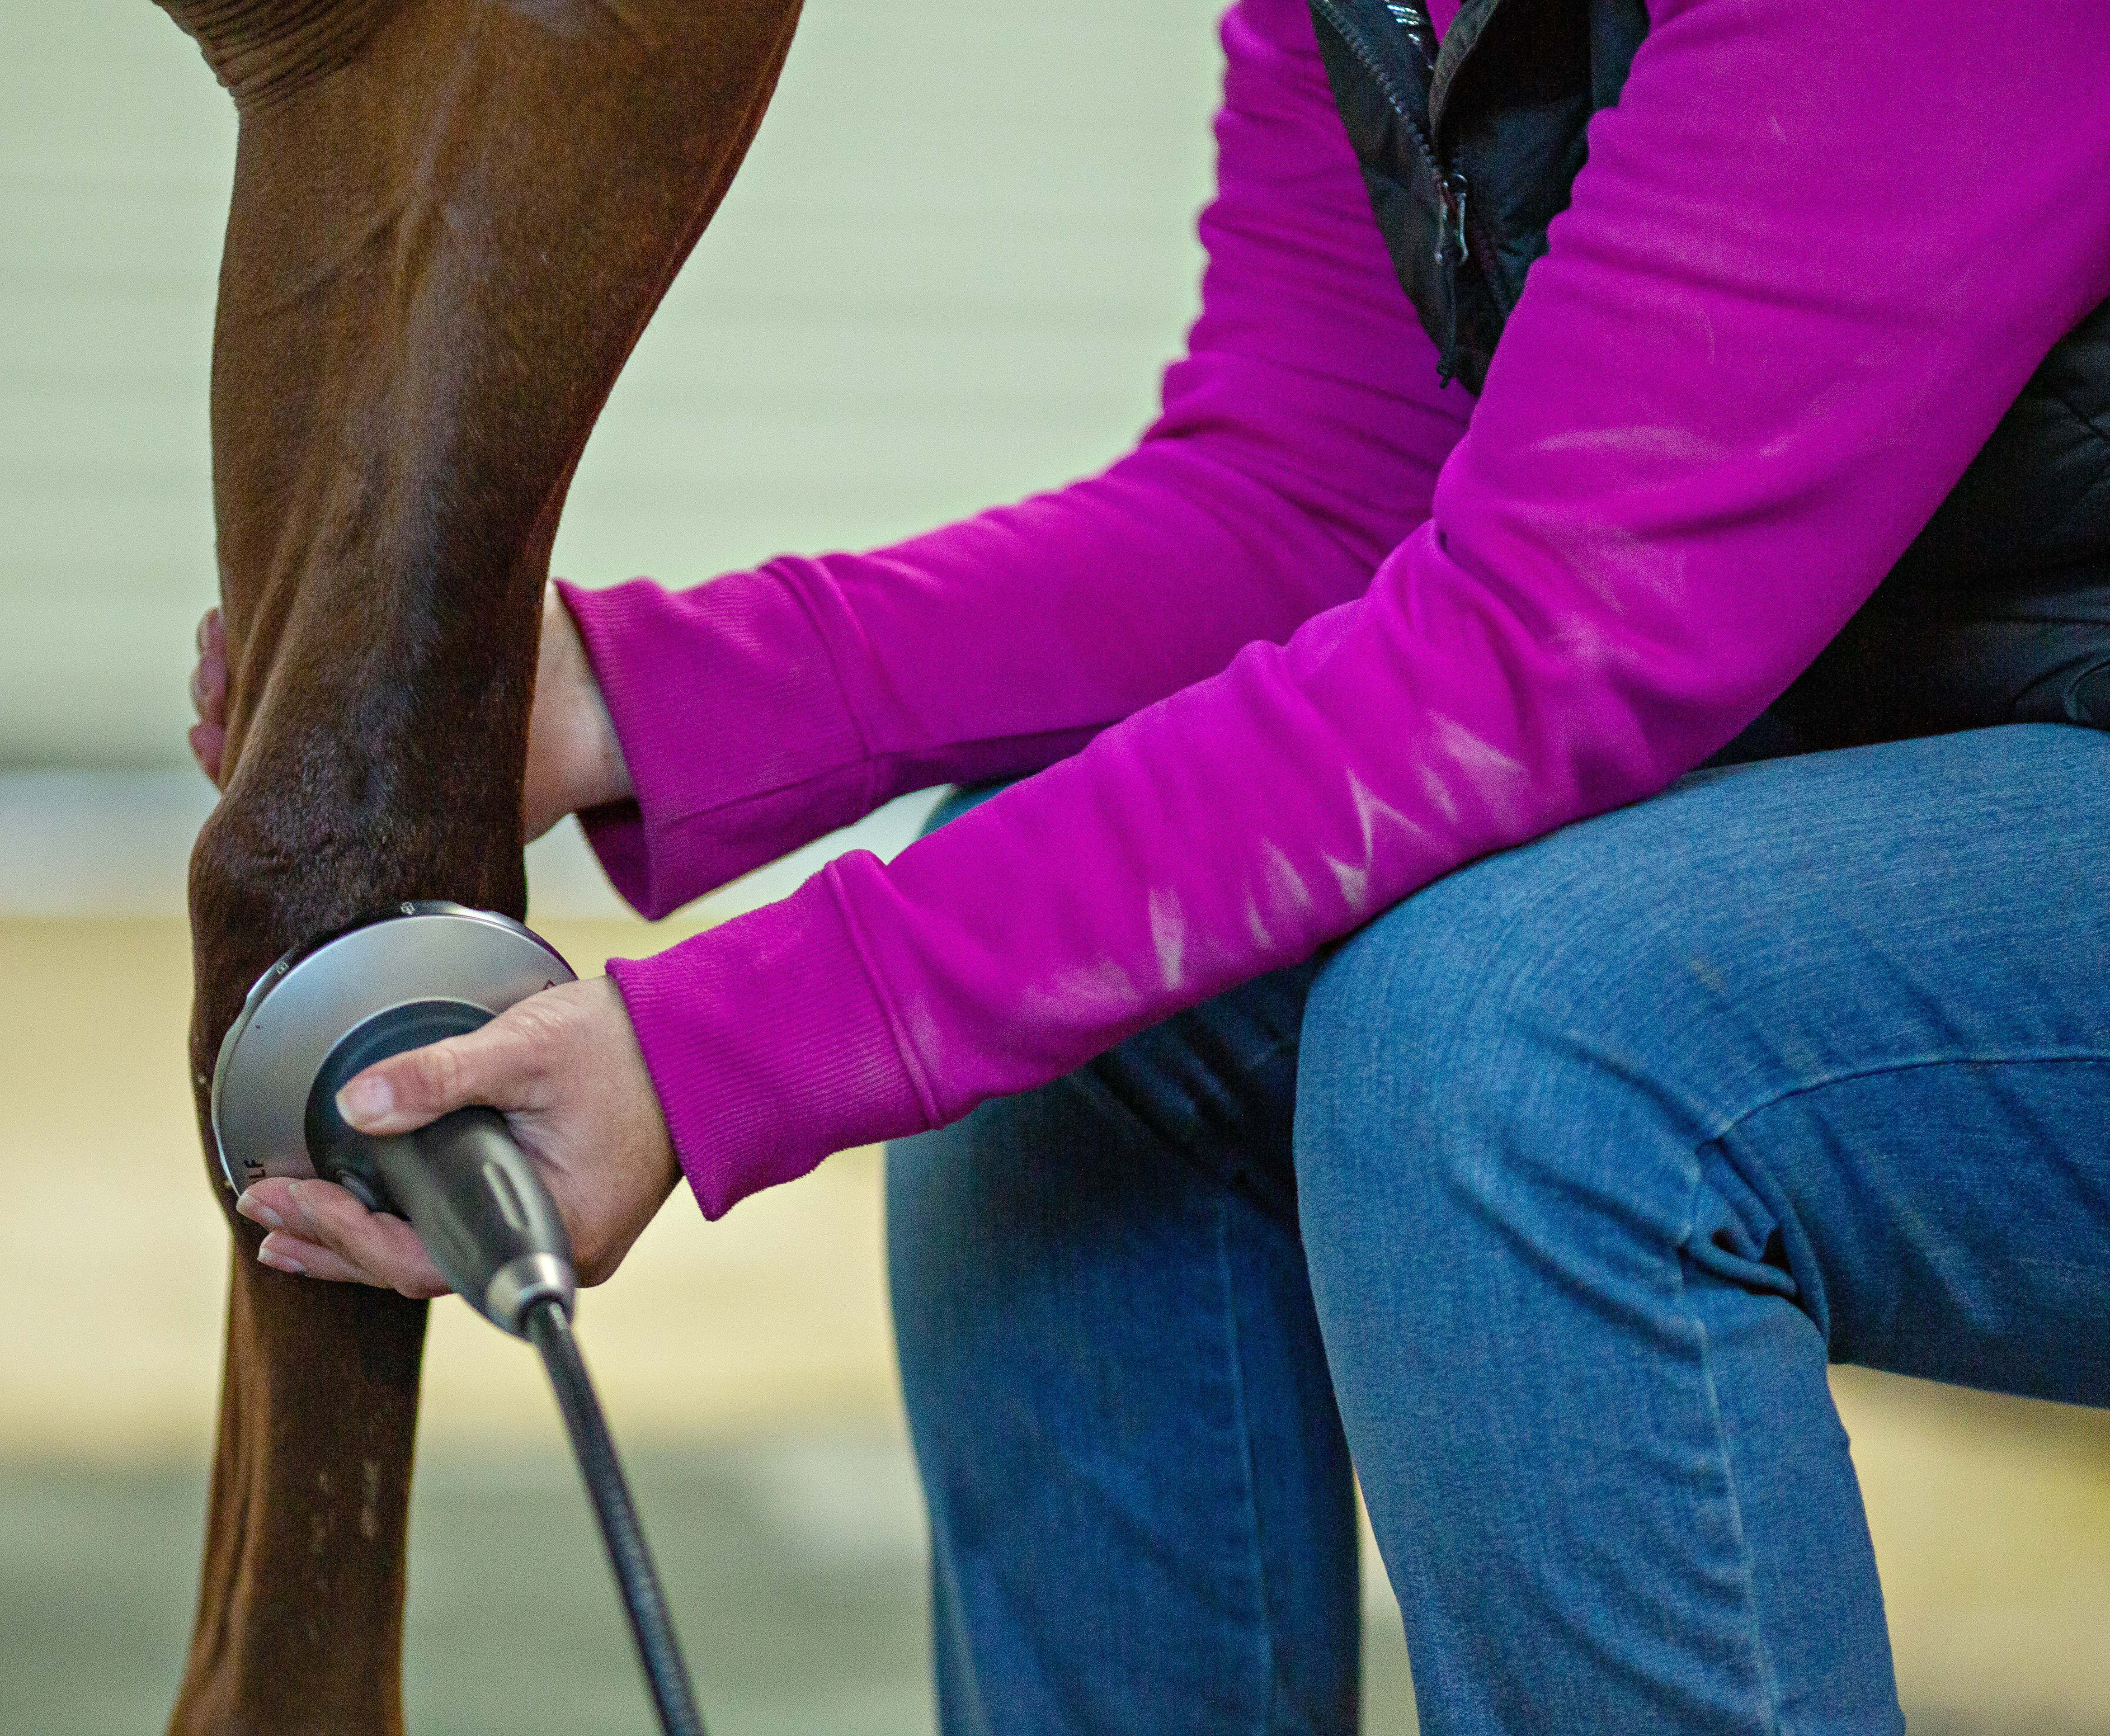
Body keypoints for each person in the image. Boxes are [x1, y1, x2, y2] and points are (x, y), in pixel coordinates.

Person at [192, 0, 2110, 1727]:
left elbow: (1543, 643)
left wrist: (724, 1046)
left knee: (1522, 1054)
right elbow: (1315, 494)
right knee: (1113, 1040)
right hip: (1937, 737)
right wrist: (641, 697)